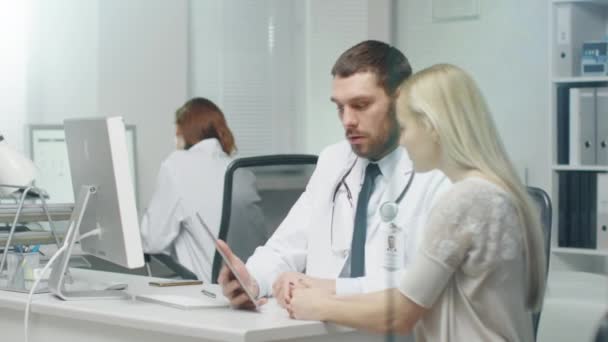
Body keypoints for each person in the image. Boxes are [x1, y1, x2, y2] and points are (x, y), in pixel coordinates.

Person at [287, 64, 547, 341]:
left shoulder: (465, 200)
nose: (403, 140)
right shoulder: (493, 191)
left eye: (405, 128)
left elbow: (402, 313)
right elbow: (409, 293)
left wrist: (317, 306)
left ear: (431, 127)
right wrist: (329, 290)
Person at [218, 40, 450, 310]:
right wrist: (252, 279)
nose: (347, 120)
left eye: (360, 105)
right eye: (340, 107)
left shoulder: (436, 172)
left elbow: (419, 285)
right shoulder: (334, 160)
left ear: (400, 101)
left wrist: (327, 290)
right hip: (321, 329)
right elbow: (284, 248)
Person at [140, 97, 266, 283]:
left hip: (204, 294)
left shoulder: (176, 165)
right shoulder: (241, 171)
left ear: (184, 133)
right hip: (249, 289)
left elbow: (152, 241)